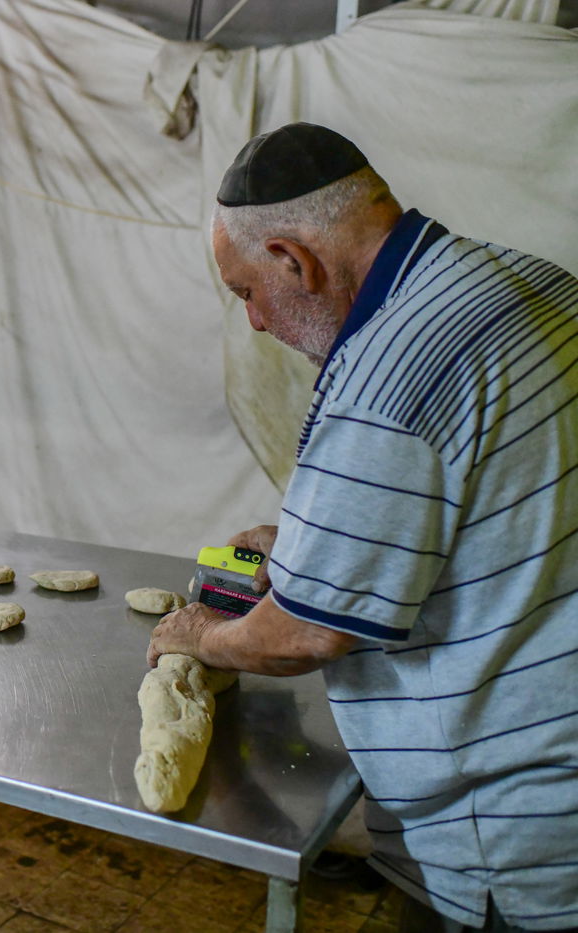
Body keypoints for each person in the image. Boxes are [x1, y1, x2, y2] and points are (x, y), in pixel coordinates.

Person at [148, 123, 578, 932]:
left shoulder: (387, 383)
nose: (256, 323)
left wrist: (198, 635)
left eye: (247, 293)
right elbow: (500, 506)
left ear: (293, 260)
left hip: (515, 834)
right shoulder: (530, 283)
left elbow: (304, 635)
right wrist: (318, 547)